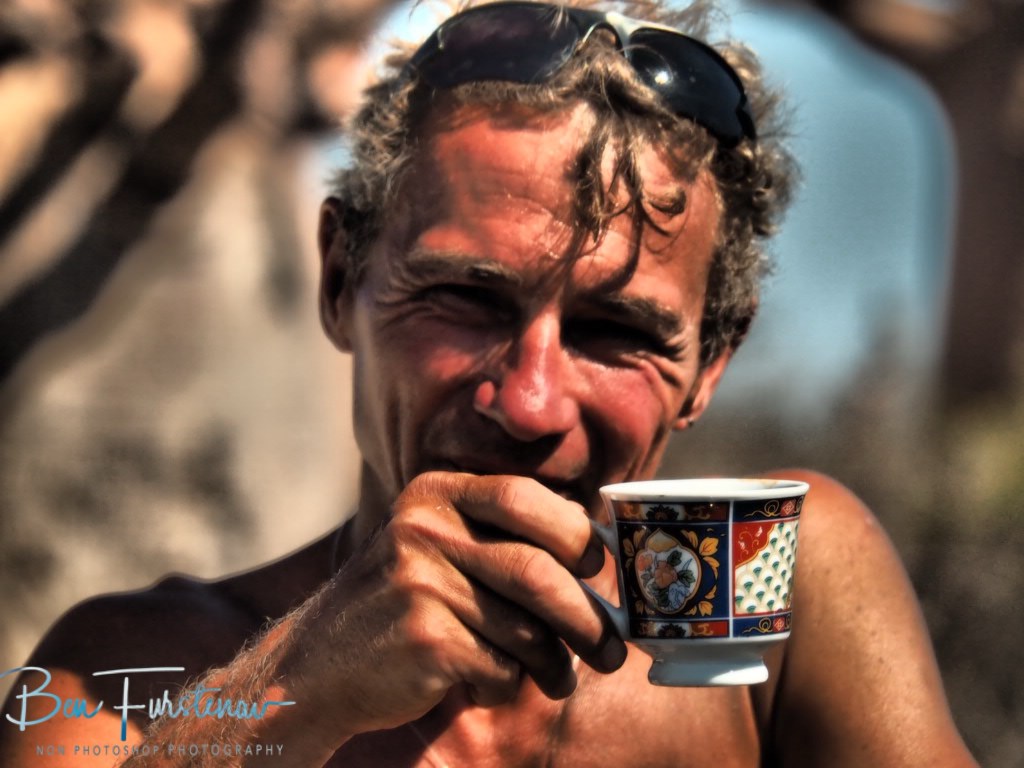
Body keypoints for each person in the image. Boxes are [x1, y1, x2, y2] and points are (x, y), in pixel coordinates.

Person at [0, 1, 977, 765]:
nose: (529, 402)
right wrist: (298, 691)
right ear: (342, 282)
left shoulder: (766, 591)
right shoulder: (137, 668)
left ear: (708, 363)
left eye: (613, 332)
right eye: (467, 300)